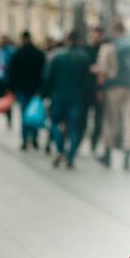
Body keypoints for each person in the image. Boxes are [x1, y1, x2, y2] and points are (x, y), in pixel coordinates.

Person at [95, 20, 130, 171]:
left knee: (111, 120)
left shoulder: (109, 46)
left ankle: (108, 155)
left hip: (114, 88)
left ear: (113, 31)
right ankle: (127, 158)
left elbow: (102, 69)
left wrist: (100, 88)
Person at [42, 30, 94, 169]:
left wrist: (46, 94)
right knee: (74, 128)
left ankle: (60, 147)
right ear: (78, 41)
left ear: (67, 40)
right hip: (77, 98)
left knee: (54, 123)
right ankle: (70, 157)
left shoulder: (57, 57)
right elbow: (87, 82)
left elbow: (49, 78)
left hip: (59, 96)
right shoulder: (83, 59)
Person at [7, 30, 46, 150]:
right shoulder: (39, 54)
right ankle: (34, 139)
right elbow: (43, 73)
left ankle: (24, 141)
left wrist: (12, 89)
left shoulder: (17, 54)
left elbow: (12, 72)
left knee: (24, 114)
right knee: (34, 113)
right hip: (35, 90)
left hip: (22, 90)